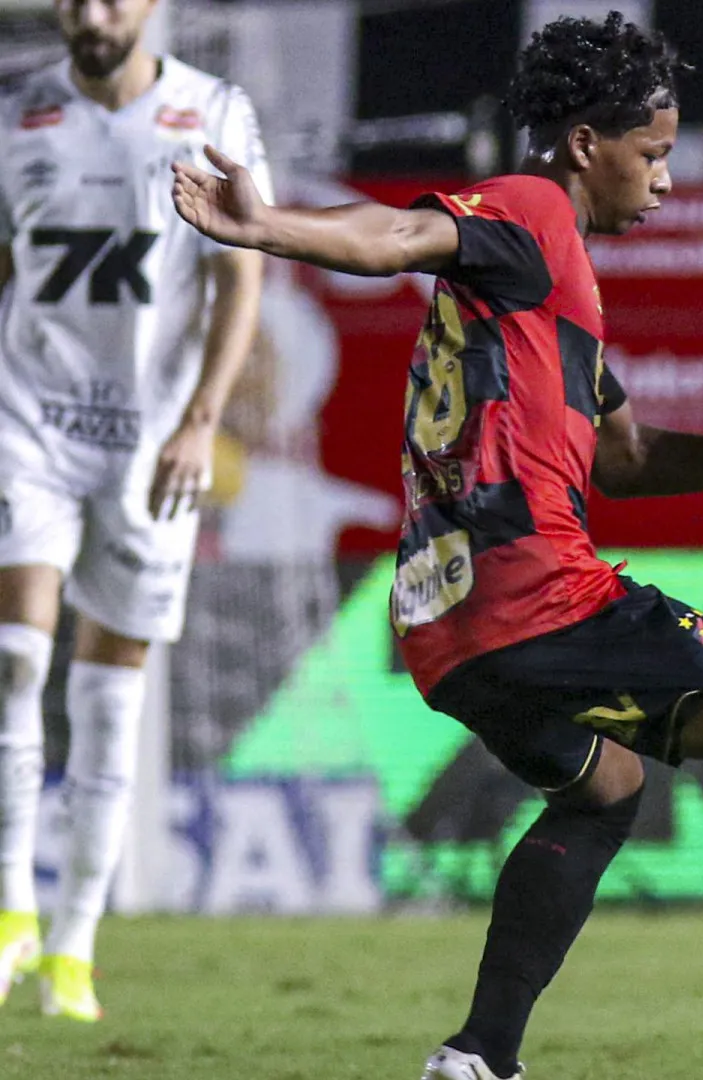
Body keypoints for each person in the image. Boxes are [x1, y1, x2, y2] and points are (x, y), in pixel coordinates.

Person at [172, 15, 703, 1080]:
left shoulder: (543, 297)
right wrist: (270, 226)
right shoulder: (532, 209)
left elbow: (629, 461)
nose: (665, 180)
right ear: (585, 145)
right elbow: (395, 236)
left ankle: (478, 1057)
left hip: (446, 626)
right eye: (652, 153)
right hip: (535, 591)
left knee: (603, 790)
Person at [0, 0, 270, 1021]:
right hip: (27, 423)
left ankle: (73, 947)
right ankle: (10, 907)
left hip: (152, 443)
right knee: (15, 655)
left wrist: (202, 420)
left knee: (111, 695)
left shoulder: (214, 112)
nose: (92, 13)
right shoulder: (17, 115)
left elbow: (241, 276)